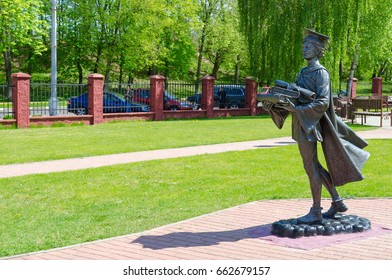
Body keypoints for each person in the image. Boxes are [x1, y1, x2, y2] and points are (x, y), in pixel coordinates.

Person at [265, 29, 370, 224]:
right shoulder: (303, 71)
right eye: (303, 46)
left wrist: (296, 109)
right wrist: (275, 103)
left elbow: (322, 102)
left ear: (318, 49)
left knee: (310, 166)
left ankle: (316, 210)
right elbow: (297, 98)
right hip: (302, 122)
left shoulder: (321, 73)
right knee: (313, 165)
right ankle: (337, 201)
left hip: (311, 125)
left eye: (309, 47)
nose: (304, 50)